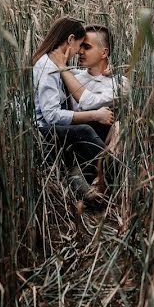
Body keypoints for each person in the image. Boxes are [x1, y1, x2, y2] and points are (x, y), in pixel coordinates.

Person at [32, 17, 113, 207]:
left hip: (51, 128)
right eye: (80, 45)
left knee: (95, 127)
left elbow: (74, 74)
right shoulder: (48, 67)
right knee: (84, 130)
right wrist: (94, 115)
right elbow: (51, 116)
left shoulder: (57, 67)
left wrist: (108, 71)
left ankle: (83, 179)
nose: (79, 52)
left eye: (87, 47)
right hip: (42, 130)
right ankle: (110, 177)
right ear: (70, 40)